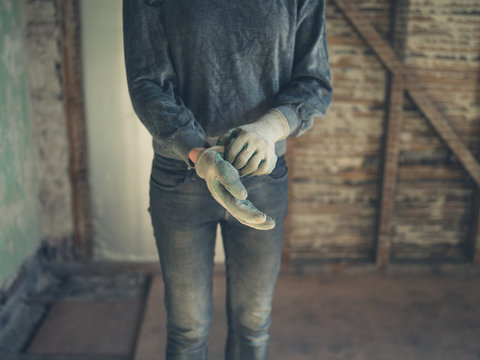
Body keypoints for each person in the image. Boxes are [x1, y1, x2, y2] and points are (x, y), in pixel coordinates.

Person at [123, 0, 333, 358]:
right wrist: (197, 151)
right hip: (182, 175)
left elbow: (314, 81)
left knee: (253, 324)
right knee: (188, 329)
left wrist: (268, 129)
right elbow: (147, 84)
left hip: (262, 177)